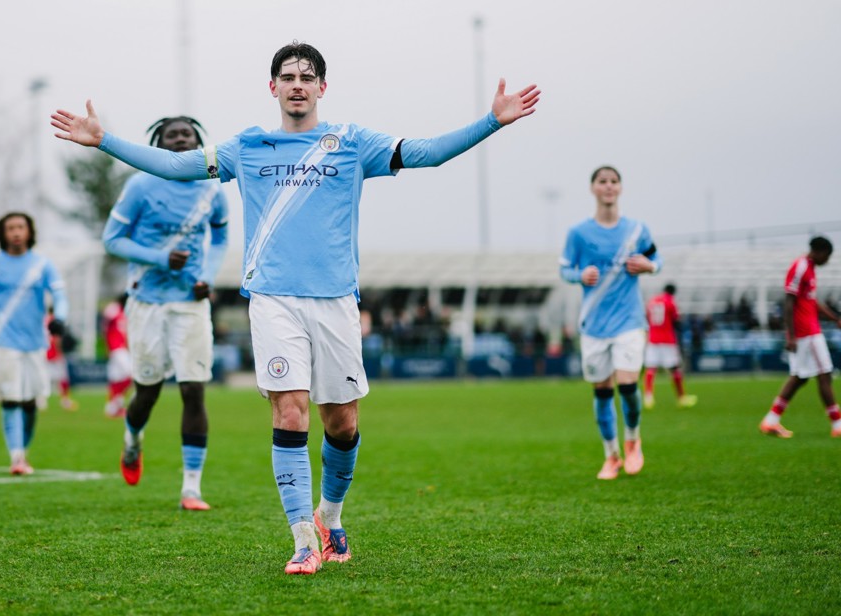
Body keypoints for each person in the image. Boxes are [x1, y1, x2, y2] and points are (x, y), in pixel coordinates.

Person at [52, 41, 539, 574]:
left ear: (322, 88)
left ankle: (329, 517)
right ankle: (303, 538)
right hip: (272, 299)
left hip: (335, 302)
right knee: (289, 412)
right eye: (288, 76)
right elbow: (174, 165)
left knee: (343, 424)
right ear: (273, 88)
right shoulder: (247, 148)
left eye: (308, 76)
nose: (298, 84)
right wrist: (103, 142)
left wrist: (491, 122)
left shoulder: (353, 143)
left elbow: (429, 152)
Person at [100, 115, 229, 511]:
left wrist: (207, 275)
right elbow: (112, 240)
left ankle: (191, 487)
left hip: (190, 304)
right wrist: (158, 258)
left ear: (197, 142)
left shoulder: (212, 189)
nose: (179, 139)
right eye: (170, 135)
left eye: (186, 134)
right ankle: (132, 440)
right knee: (148, 393)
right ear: (158, 143)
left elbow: (221, 234)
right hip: (147, 303)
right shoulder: (140, 185)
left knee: (193, 388)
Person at [560, 166, 661, 481]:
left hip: (629, 321)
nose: (608, 186)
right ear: (593, 188)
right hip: (593, 325)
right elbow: (565, 269)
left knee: (628, 385)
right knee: (602, 391)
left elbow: (656, 261)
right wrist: (580, 275)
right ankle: (610, 455)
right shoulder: (579, 233)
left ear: (620, 188)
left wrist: (648, 266)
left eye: (613, 181)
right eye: (602, 181)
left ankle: (633, 439)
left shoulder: (636, 230)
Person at [0, 212, 69, 475]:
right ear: (2, 233)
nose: (16, 232)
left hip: (35, 344)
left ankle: (23, 452)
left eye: (20, 227)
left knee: (32, 403)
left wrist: (60, 318)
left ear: (30, 231)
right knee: (10, 400)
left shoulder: (42, 265)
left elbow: (59, 294)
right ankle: (16, 457)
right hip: (4, 343)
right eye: (10, 228)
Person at [759, 236, 841, 438]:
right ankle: (837, 424)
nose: (827, 261)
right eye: (827, 256)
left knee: (800, 378)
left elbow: (811, 302)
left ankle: (771, 421)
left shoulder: (809, 268)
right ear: (820, 251)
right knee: (824, 374)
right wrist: (791, 335)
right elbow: (788, 300)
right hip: (807, 332)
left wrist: (834, 318)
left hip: (807, 330)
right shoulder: (801, 266)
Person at [644, 284, 697, 409]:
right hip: (667, 339)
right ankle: (681, 397)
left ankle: (648, 396)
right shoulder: (670, 302)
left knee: (651, 368)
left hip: (653, 338)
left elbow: (647, 317)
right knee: (674, 368)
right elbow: (676, 320)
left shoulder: (652, 301)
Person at [102, 295, 131, 419]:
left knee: (116, 378)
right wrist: (107, 345)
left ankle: (113, 408)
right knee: (130, 374)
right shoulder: (114, 309)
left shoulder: (124, 313)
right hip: (116, 348)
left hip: (121, 348)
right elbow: (105, 326)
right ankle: (115, 405)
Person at [46, 308, 78, 412]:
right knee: (63, 378)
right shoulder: (54, 321)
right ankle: (65, 401)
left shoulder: (43, 320)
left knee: (45, 379)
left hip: (44, 353)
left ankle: (40, 401)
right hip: (54, 353)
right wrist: (60, 352)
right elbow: (57, 339)